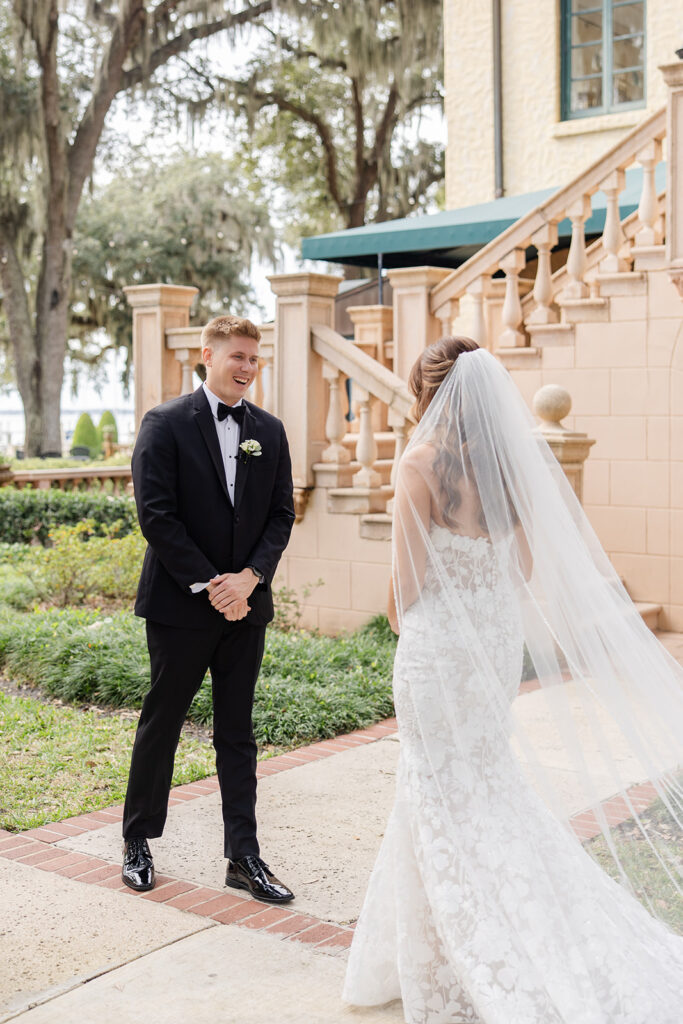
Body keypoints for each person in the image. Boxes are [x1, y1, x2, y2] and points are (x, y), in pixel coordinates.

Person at [343, 338, 683, 1022]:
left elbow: (403, 591)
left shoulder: (417, 465)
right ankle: (413, 950)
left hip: (438, 651)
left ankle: (458, 953)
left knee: (436, 792)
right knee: (477, 786)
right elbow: (522, 571)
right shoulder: (504, 468)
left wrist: (408, 611)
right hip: (491, 648)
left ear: (426, 392)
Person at [121, 314, 296, 905]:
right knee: (162, 722)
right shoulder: (165, 423)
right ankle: (137, 840)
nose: (247, 367)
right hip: (181, 605)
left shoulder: (269, 431)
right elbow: (157, 515)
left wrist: (248, 580)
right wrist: (210, 583)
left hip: (246, 606)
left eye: (254, 358)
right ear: (208, 356)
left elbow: (280, 516)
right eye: (238, 357)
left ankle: (242, 856)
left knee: (238, 733)